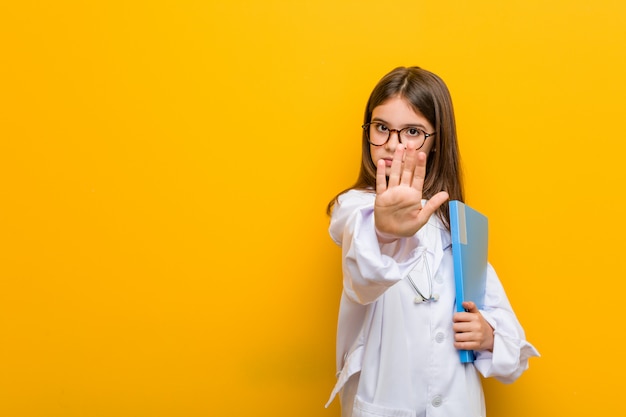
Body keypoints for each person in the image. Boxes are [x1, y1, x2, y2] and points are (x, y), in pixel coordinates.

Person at [325, 66, 539, 417]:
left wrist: (487, 336)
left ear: (437, 140)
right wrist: (385, 230)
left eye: (412, 131)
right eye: (381, 128)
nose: (392, 144)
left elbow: (514, 358)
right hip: (385, 401)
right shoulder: (355, 209)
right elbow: (362, 276)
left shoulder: (458, 226)